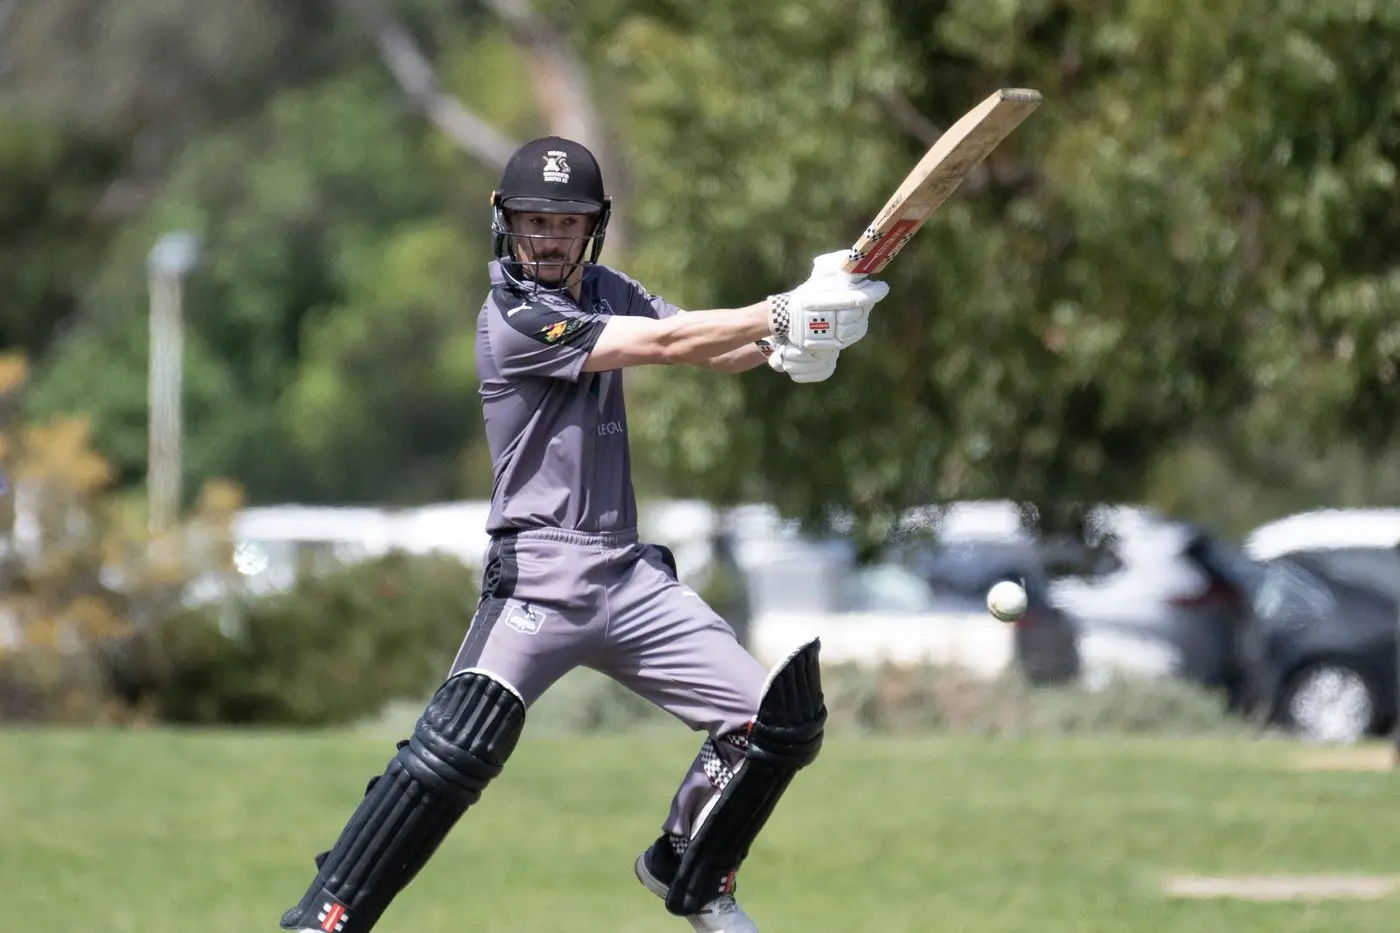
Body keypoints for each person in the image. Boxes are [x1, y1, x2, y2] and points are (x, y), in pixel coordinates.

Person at [277, 136, 891, 933]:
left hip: (627, 576)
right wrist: (781, 308)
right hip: (538, 578)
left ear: (592, 228)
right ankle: (326, 917)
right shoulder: (514, 316)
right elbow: (665, 345)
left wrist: (796, 341)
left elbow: (705, 344)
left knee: (769, 723)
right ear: (505, 224)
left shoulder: (604, 287)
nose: (550, 238)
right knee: (455, 750)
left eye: (567, 223)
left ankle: (690, 866)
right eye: (535, 221)